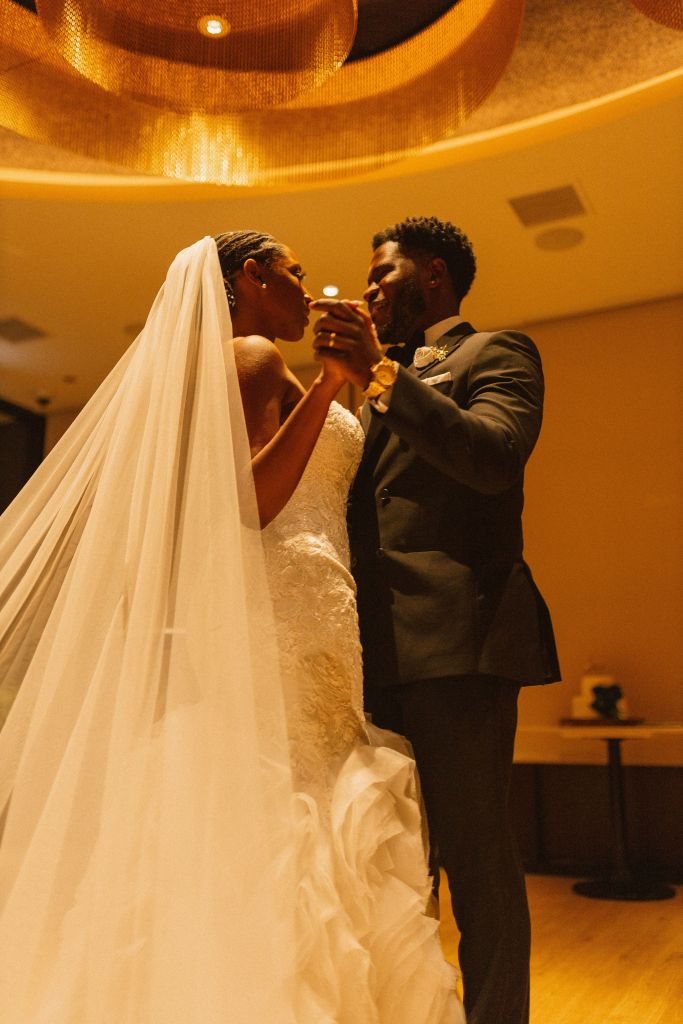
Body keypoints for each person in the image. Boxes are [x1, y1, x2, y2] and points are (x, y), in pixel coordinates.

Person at [0, 233, 462, 1023]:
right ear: (251, 276)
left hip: (307, 603)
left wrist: (345, 385)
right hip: (287, 603)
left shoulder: (245, 365)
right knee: (296, 795)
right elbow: (249, 500)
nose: (305, 290)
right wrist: (328, 385)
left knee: (294, 794)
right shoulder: (251, 354)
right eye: (293, 273)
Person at [311, 215, 560, 1024]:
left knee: (477, 860)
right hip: (370, 654)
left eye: (380, 275)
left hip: (460, 643)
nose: (370, 291)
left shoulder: (495, 353)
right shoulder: (368, 391)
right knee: (392, 862)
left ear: (432, 276)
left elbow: (491, 458)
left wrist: (380, 374)